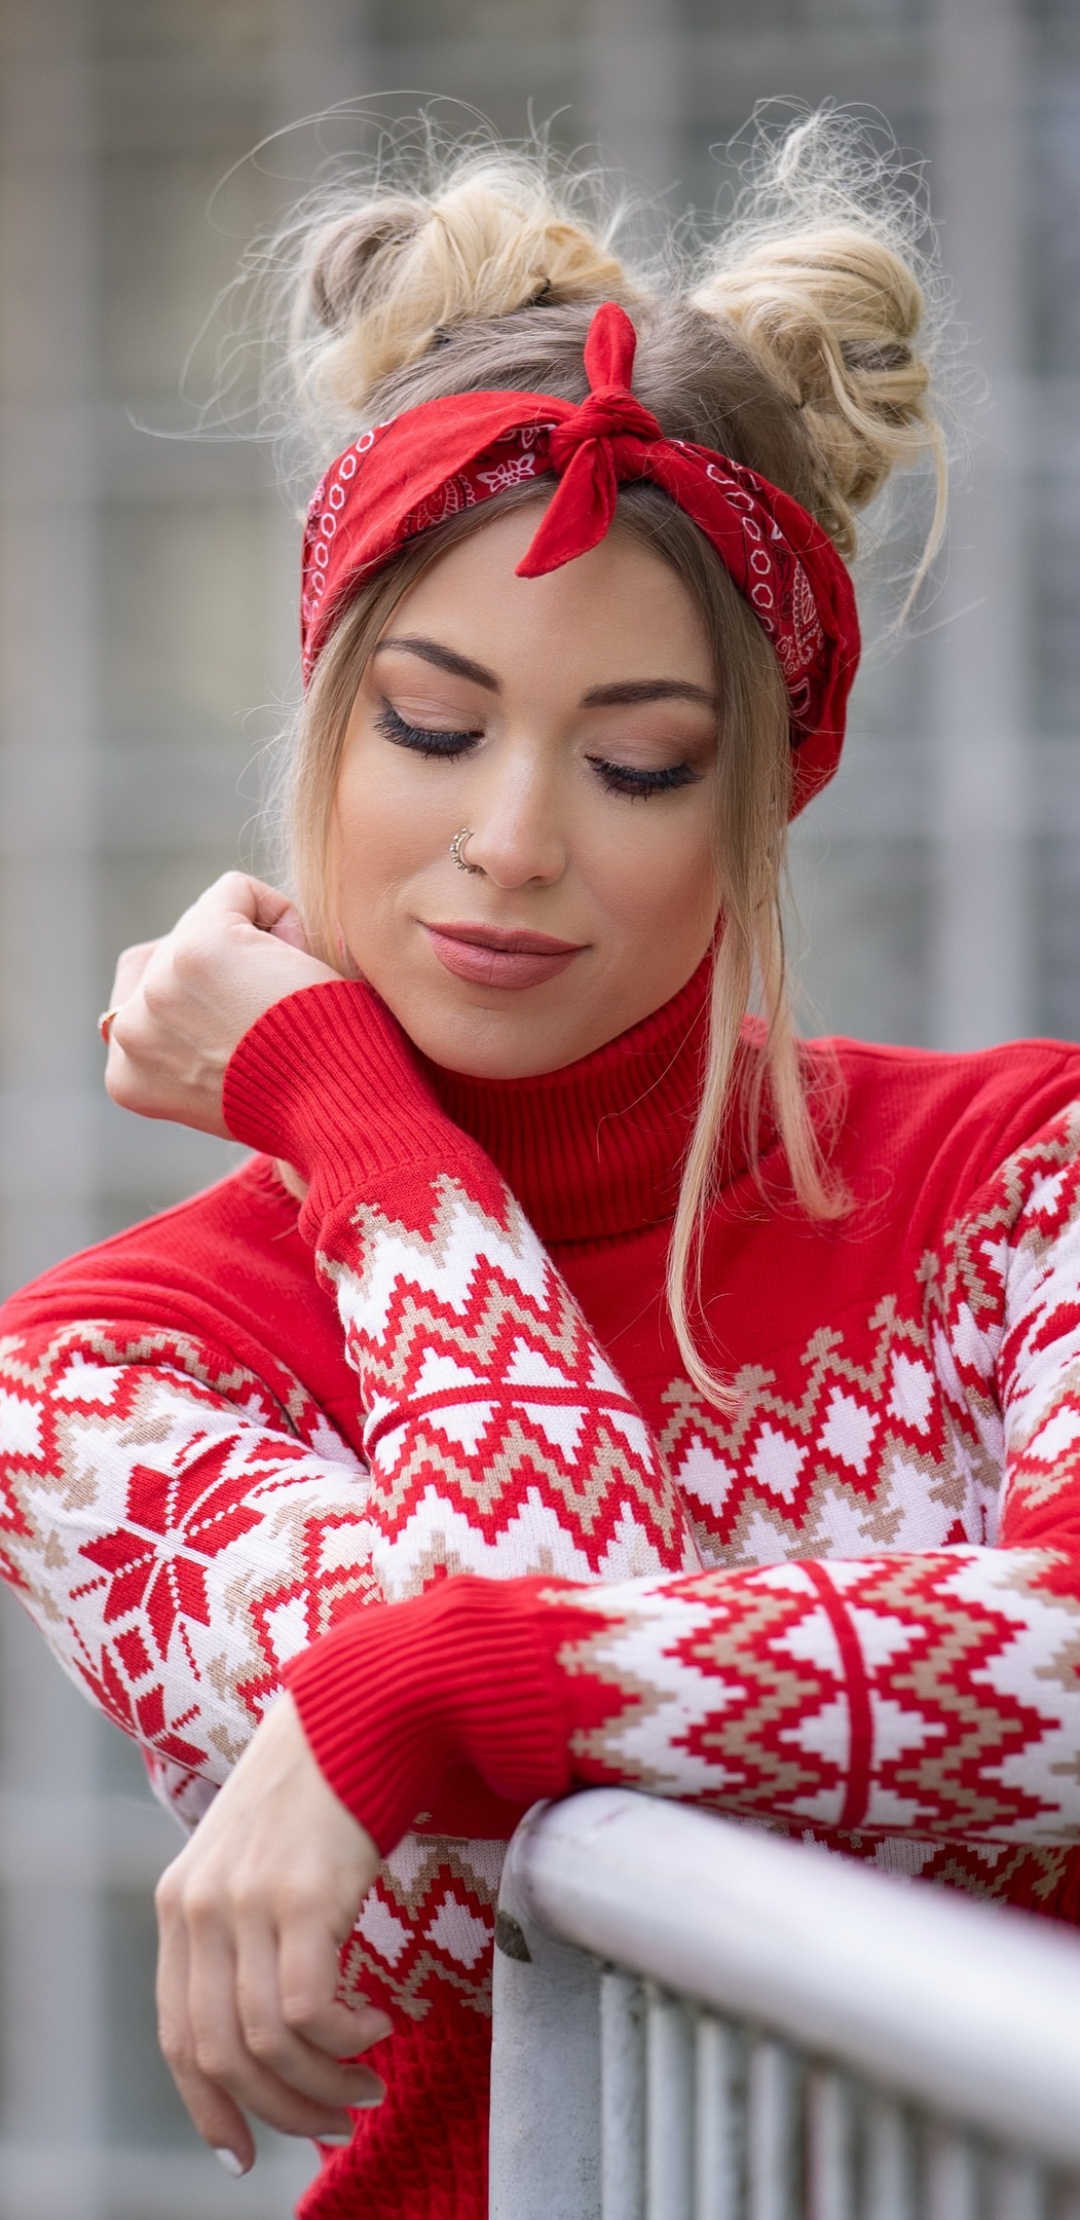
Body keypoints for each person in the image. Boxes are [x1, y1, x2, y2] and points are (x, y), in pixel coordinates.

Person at [2, 111, 1078, 2220]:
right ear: (323, 712)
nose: (511, 835)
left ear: (762, 795)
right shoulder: (104, 1369)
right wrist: (353, 1117)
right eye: (428, 723)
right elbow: (528, 1868)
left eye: (639, 759)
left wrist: (415, 1690)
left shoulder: (1021, 1174)